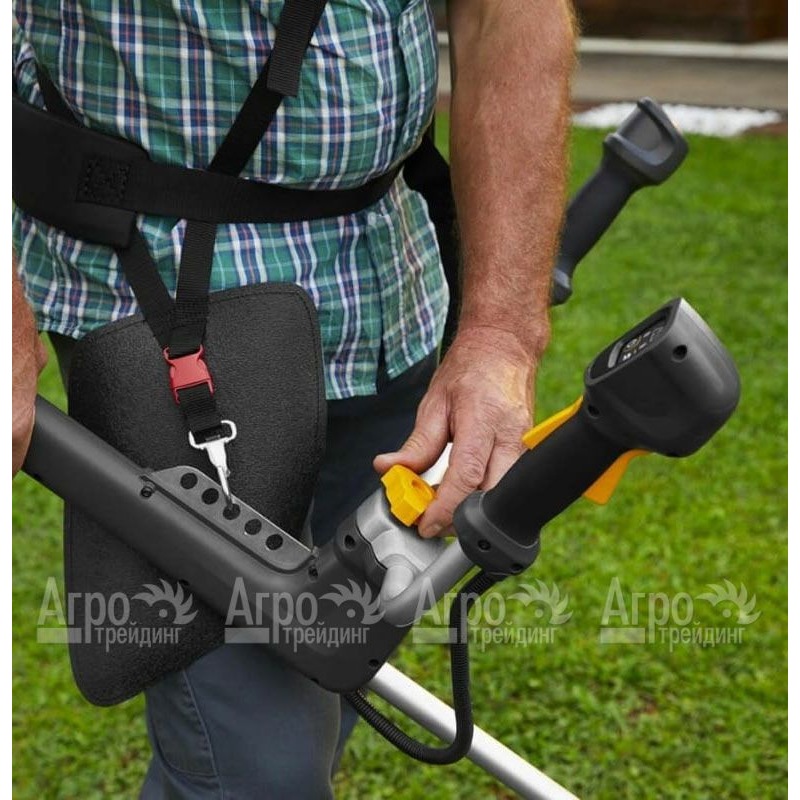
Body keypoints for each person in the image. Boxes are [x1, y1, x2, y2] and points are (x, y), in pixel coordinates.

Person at [12, 0, 575, 796]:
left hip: (394, 294)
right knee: (263, 770)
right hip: (167, 303)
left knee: (329, 666)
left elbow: (506, 12)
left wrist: (502, 333)